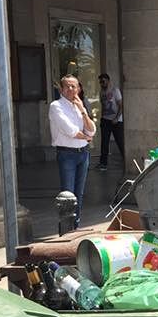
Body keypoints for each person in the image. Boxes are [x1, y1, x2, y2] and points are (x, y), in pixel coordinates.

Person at [49, 75, 96, 229]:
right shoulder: (56, 106)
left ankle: (75, 225)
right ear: (61, 89)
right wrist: (87, 137)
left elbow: (92, 129)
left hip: (83, 153)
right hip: (67, 154)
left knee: (79, 193)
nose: (71, 89)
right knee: (67, 195)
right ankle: (66, 228)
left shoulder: (79, 106)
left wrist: (83, 110)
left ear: (78, 89)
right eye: (67, 86)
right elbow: (71, 131)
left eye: (74, 86)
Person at [98, 72, 124, 171]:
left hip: (116, 121)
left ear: (108, 81)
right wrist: (102, 118)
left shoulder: (115, 90)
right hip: (105, 120)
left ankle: (126, 161)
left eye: (103, 81)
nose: (102, 83)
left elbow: (121, 105)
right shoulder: (101, 92)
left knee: (120, 141)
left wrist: (117, 118)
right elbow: (103, 105)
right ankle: (103, 163)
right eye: (100, 82)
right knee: (104, 142)